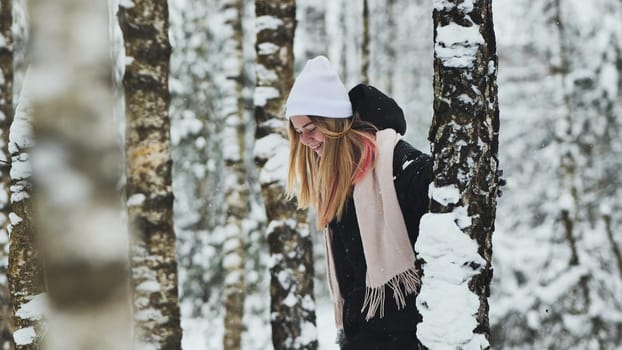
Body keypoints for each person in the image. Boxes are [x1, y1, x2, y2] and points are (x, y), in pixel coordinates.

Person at [285, 55, 432, 350]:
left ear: (333, 121)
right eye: (299, 132)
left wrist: (464, 178)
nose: (305, 140)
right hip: (361, 337)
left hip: (405, 335)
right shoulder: (335, 181)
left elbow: (430, 181)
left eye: (311, 129)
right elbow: (351, 273)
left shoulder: (388, 158)